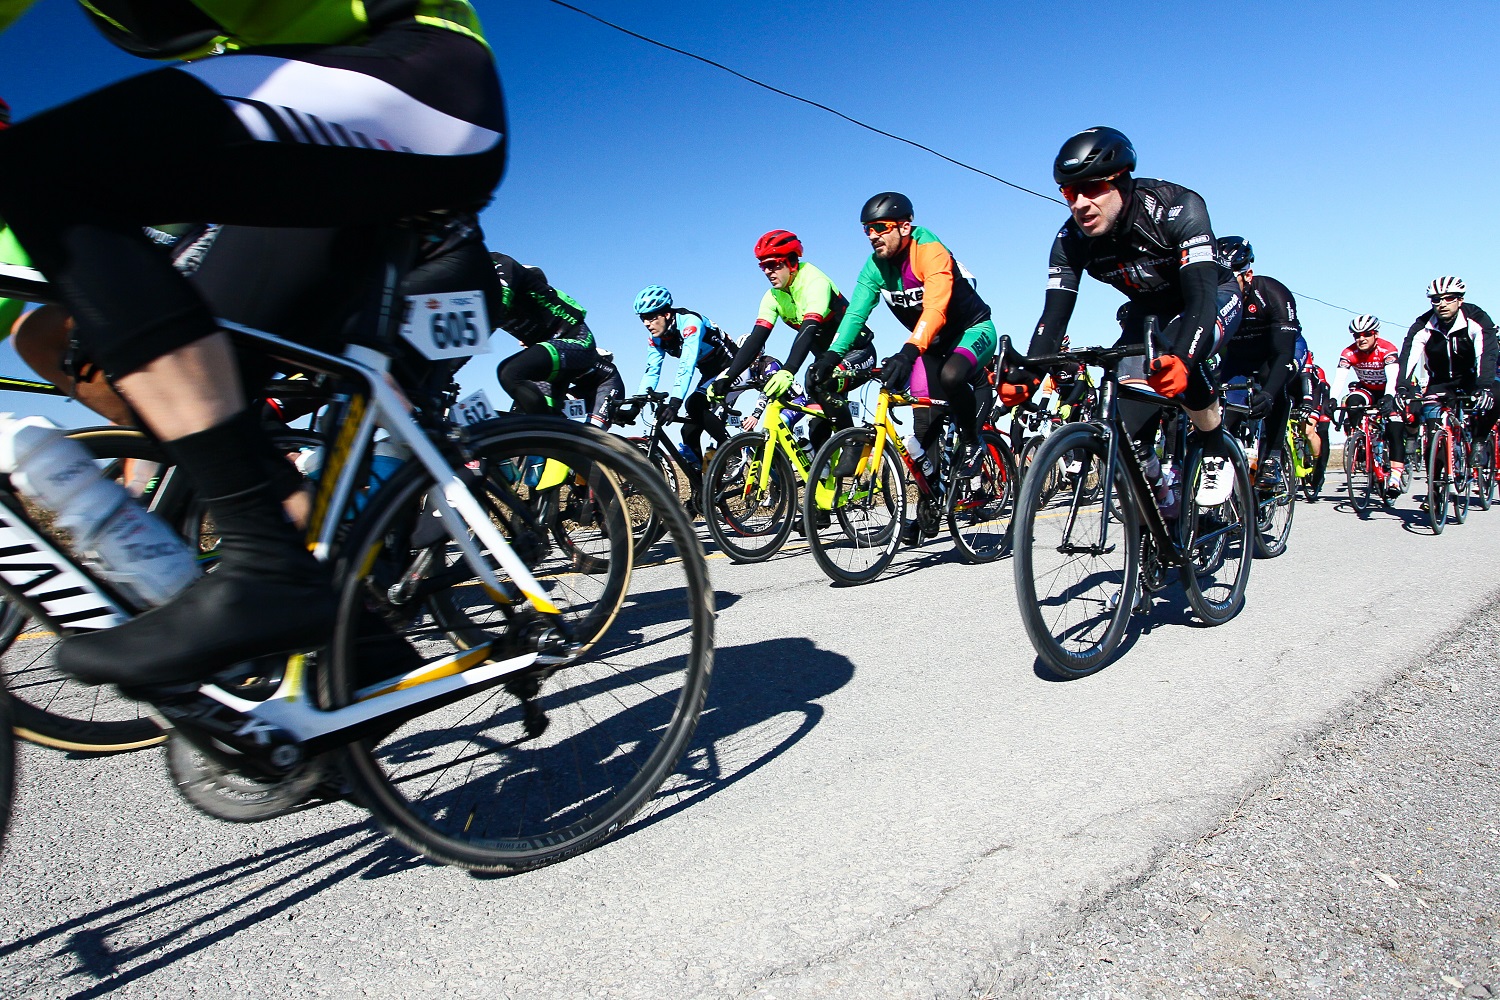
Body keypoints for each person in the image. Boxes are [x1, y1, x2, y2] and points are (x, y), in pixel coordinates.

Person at [0, 1, 507, 689]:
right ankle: (351, 640)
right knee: (194, 379)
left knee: (45, 171)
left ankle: (269, 565)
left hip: (419, 81)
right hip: (305, 124)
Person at [1020, 127, 1240, 506]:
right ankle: (1156, 488)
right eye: (1070, 193)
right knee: (1126, 415)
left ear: (1121, 180)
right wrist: (1026, 374)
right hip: (1149, 310)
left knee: (1180, 357)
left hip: (1210, 296)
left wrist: (1184, 359)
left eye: (1092, 188)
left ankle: (1215, 449)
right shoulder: (1071, 239)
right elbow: (1054, 318)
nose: (1080, 204)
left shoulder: (1176, 207)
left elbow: (1201, 298)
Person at [713, 230, 875, 455]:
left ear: (791, 261)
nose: (767, 272)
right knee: (817, 429)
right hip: (825, 364)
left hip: (858, 352)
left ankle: (853, 442)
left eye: (772, 264)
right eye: (763, 266)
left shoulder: (814, 281)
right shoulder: (773, 297)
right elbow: (755, 341)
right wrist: (728, 377)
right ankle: (828, 485)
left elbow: (809, 330)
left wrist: (788, 370)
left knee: (817, 381)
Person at [491, 252, 621, 428]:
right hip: (570, 381)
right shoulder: (541, 339)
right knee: (533, 414)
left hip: (604, 382)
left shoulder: (528, 298)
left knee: (592, 433)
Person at [1214, 237, 1302, 487]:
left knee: (1271, 382)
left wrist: (1271, 394)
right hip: (1239, 357)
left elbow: (1283, 354)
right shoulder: (1217, 300)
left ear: (1248, 274)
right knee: (1225, 407)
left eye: (1231, 280)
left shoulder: (1272, 293)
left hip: (1281, 350)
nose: (1225, 289)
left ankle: (1273, 456)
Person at [633, 284, 734, 468]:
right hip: (710, 373)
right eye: (643, 319)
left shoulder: (689, 323)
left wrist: (675, 402)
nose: (647, 324)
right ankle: (701, 490)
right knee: (688, 431)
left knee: (693, 404)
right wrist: (636, 404)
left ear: (666, 314)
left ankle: (733, 450)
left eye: (651, 317)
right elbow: (652, 370)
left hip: (734, 368)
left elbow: (686, 365)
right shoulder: (657, 337)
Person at [1397, 277, 1498, 460]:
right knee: (1433, 431)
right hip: (1440, 382)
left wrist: (1484, 386)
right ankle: (1436, 483)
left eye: (1449, 298)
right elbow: (1408, 357)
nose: (1442, 304)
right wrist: (1402, 387)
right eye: (1436, 299)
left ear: (1460, 300)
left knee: (1495, 395)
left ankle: (1479, 440)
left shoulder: (1476, 318)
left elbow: (1485, 354)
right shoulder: (1423, 325)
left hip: (1471, 378)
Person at [1336, 314, 1406, 492]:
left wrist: (1389, 397)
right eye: (1357, 335)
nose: (1361, 339)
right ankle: (1363, 440)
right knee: (1352, 401)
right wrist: (1332, 399)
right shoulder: (1349, 352)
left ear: (1375, 334)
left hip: (1388, 389)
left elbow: (1392, 379)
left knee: (1395, 428)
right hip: (1367, 389)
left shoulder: (1387, 349)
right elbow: (1339, 380)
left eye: (1366, 334)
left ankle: (1395, 477)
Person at [1298, 351, 1332, 498]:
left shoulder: (1316, 371)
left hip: (1315, 397)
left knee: (1308, 431)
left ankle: (1318, 464)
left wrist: (1321, 412)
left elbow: (1322, 392)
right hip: (1298, 396)